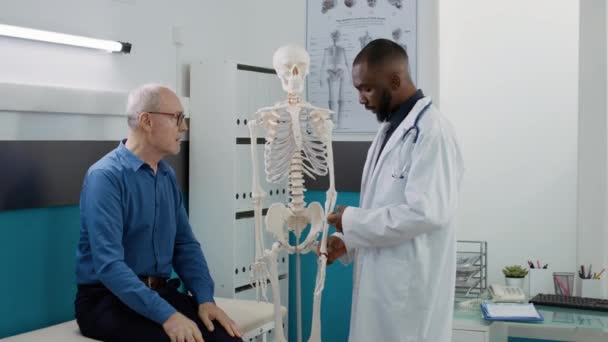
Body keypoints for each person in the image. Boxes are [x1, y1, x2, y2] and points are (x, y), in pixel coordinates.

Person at [75, 84, 243, 342]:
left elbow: (185, 246)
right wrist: (168, 315)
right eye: (177, 118)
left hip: (158, 293)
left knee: (227, 338)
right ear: (146, 121)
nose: (184, 127)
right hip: (106, 301)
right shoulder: (105, 177)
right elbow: (109, 265)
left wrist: (205, 300)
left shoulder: (165, 175)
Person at [324, 39, 464, 341]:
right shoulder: (391, 129)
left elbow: (425, 214)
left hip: (409, 296)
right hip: (385, 290)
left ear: (395, 80)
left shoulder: (432, 133)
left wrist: (352, 220)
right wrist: (348, 240)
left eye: (366, 89)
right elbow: (384, 207)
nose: (360, 98)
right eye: (358, 89)